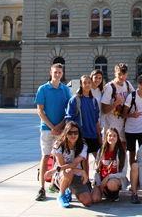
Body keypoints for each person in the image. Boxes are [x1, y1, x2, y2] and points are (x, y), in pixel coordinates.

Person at [34, 63, 71, 201]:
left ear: (62, 74)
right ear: (51, 72)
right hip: (47, 129)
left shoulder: (65, 90)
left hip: (61, 129)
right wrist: (51, 127)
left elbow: (68, 110)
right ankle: (41, 188)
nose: (57, 74)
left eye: (59, 72)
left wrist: (60, 125)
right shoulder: (43, 89)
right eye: (55, 72)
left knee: (60, 159)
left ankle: (58, 185)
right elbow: (40, 110)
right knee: (45, 156)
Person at [44, 121, 91, 208]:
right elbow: (62, 167)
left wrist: (55, 169)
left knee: (87, 201)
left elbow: (73, 164)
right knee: (68, 171)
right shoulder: (58, 145)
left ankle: (70, 189)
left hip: (75, 175)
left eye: (75, 132)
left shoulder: (83, 145)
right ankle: (61, 194)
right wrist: (81, 171)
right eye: (70, 132)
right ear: (66, 133)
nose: (73, 135)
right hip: (62, 174)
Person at [65, 75, 101, 175]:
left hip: (92, 134)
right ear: (81, 84)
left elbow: (96, 120)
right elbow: (69, 119)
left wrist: (99, 136)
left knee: (99, 158)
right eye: (85, 83)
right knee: (84, 160)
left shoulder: (94, 101)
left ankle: (97, 179)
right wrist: (70, 135)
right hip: (80, 136)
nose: (87, 85)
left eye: (89, 82)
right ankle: (86, 181)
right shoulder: (75, 100)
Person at [101, 63, 135, 150]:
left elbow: (135, 96)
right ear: (115, 74)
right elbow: (104, 110)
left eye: (123, 74)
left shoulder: (127, 84)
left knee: (124, 146)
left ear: (126, 74)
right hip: (112, 121)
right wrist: (116, 103)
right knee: (110, 147)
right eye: (119, 74)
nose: (121, 77)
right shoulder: (110, 87)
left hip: (124, 120)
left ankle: (122, 163)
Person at [123, 75, 142, 165]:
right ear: (137, 85)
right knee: (132, 152)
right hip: (130, 130)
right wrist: (132, 115)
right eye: (141, 84)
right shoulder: (131, 97)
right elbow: (123, 114)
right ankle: (133, 173)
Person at [92, 128, 128, 203]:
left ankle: (114, 193)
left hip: (113, 179)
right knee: (95, 199)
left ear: (118, 138)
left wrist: (108, 177)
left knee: (111, 184)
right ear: (106, 137)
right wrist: (99, 184)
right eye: (110, 135)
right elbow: (96, 170)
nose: (112, 138)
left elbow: (123, 173)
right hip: (101, 181)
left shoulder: (122, 153)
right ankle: (104, 192)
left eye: (114, 136)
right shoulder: (101, 151)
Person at [90, 69, 105, 135]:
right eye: (96, 77)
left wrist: (101, 125)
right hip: (86, 123)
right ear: (91, 77)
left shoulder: (102, 92)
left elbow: (102, 110)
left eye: (100, 78)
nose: (97, 80)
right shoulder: (86, 89)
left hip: (97, 124)